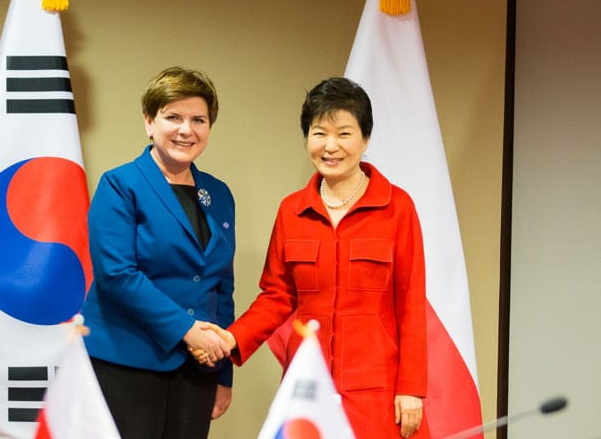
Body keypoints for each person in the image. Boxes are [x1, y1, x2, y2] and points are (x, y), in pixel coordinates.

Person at [194, 77, 430, 439]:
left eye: (344, 134)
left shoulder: (397, 207)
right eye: (319, 133)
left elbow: (412, 304)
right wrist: (231, 339)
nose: (330, 146)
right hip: (308, 388)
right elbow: (277, 296)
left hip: (378, 392)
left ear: (365, 140)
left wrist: (411, 387)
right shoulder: (292, 210)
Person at [81, 66, 235, 439]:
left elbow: (221, 288)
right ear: (149, 122)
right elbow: (117, 274)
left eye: (198, 119)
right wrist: (187, 330)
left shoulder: (219, 194)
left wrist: (223, 370)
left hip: (197, 368)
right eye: (173, 117)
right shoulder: (120, 185)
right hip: (126, 361)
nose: (187, 130)